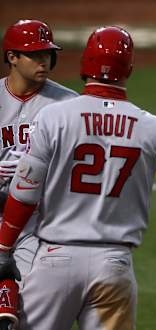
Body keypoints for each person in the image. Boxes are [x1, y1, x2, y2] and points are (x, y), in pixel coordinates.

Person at [0, 26, 156, 329]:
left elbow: (25, 192)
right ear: (129, 69)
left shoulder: (55, 116)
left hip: (54, 260)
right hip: (113, 265)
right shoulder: (154, 127)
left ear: (84, 64)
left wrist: (4, 248)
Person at [0, 19, 78, 328]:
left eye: (47, 53)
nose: (43, 60)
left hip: (39, 220)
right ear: (13, 58)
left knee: (30, 309)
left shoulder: (69, 104)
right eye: (34, 54)